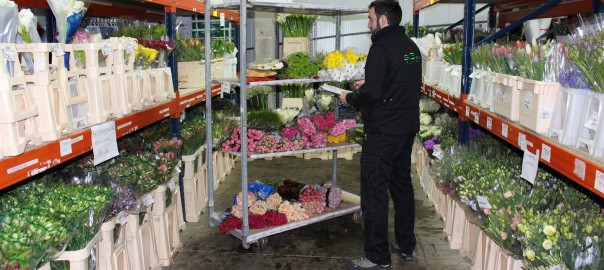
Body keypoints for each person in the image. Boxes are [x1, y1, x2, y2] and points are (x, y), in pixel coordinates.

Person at [338, 0, 422, 269]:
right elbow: (396, 81)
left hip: (383, 132)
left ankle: (377, 257)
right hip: (405, 129)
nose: (368, 23)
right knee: (401, 187)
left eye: (370, 17)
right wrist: (370, 83)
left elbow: (372, 94)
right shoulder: (411, 47)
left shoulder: (380, 47)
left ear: (383, 19)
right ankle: (405, 245)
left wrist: (350, 96)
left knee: (375, 192)